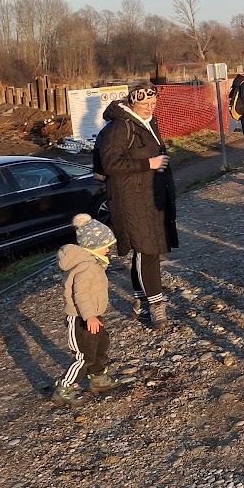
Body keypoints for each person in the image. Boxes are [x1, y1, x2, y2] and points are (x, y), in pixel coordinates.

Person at [97, 81, 178, 331]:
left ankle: (140, 302)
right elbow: (111, 163)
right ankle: (156, 306)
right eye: (145, 103)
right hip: (131, 198)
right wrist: (149, 164)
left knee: (147, 249)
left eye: (153, 103)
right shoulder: (120, 126)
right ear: (133, 102)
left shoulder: (148, 122)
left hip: (149, 196)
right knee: (147, 251)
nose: (150, 107)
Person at [51, 213, 124, 407]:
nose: (109, 249)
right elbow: (81, 294)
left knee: (100, 345)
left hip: (92, 316)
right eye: (106, 245)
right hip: (80, 318)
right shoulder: (86, 267)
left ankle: (98, 378)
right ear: (94, 246)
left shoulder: (92, 264)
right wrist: (90, 316)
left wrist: (93, 315)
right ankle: (64, 387)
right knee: (84, 355)